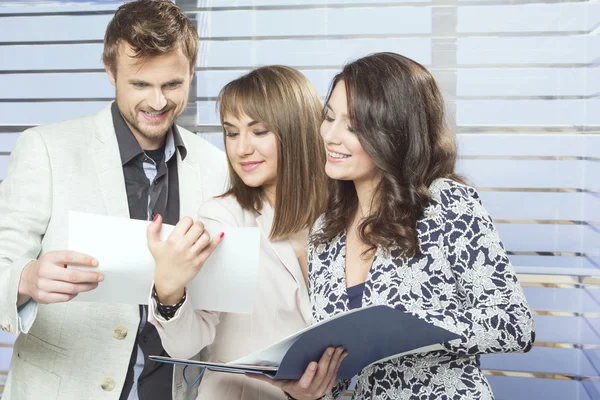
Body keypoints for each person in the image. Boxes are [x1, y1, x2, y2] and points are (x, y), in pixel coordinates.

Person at [254, 52, 535, 399]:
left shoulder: (447, 203)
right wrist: (308, 390)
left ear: (394, 133)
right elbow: (340, 375)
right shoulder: (325, 231)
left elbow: (514, 325)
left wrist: (412, 328)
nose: (330, 135)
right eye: (329, 117)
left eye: (353, 126)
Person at [0, 1, 228, 399]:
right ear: (111, 72)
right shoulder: (46, 148)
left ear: (192, 72)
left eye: (172, 85)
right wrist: (25, 279)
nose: (158, 103)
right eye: (140, 84)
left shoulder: (217, 167)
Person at [146, 65, 339, 400]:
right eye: (231, 133)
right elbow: (186, 345)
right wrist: (168, 293)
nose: (241, 149)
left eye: (259, 131)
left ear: (297, 131)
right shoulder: (224, 217)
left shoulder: (344, 216)